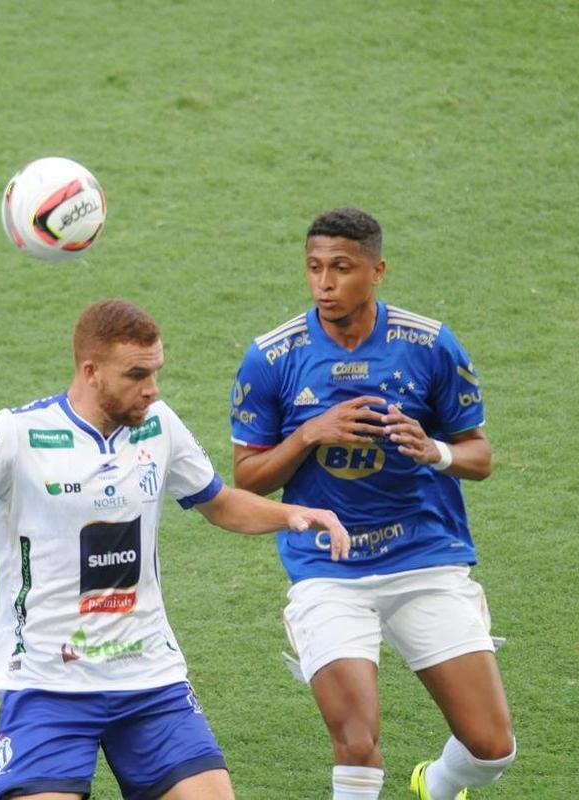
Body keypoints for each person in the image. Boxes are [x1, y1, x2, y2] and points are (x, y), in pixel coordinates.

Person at [0, 298, 351, 800]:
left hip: (150, 678)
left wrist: (293, 515)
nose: (151, 389)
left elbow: (219, 503)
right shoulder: (17, 434)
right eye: (136, 375)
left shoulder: (159, 424)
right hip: (47, 684)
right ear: (91, 371)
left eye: (156, 372)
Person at [228, 208, 517, 800]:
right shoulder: (273, 358)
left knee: (492, 749)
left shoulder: (429, 344)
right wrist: (310, 434)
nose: (324, 283)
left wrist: (432, 449)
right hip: (327, 568)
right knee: (357, 744)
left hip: (425, 559)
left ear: (377, 270)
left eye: (341, 268)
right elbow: (247, 478)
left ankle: (433, 787)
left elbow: (479, 457)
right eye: (314, 268)